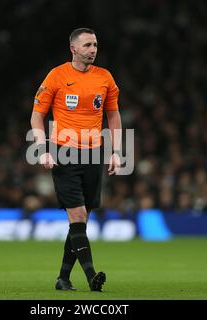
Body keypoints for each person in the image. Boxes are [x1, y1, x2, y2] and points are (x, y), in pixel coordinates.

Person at [30, 28, 122, 292]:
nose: (93, 49)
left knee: (80, 221)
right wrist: (42, 148)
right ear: (73, 48)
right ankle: (92, 276)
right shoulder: (57, 76)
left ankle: (63, 278)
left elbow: (113, 116)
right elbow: (37, 116)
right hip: (64, 152)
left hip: (94, 152)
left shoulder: (105, 78)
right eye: (87, 45)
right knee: (78, 215)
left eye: (95, 44)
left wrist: (115, 151)